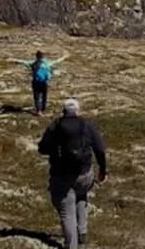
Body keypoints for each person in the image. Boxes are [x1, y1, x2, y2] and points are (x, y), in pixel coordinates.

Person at [38, 99, 107, 249]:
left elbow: (42, 148)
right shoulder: (87, 125)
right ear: (78, 111)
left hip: (61, 176)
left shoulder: (55, 126)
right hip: (85, 175)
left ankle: (72, 246)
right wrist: (102, 170)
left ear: (63, 111)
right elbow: (100, 149)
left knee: (67, 213)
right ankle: (82, 232)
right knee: (81, 195)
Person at [12, 51, 68, 116]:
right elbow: (56, 61)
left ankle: (38, 111)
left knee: (36, 97)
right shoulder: (46, 63)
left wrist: (14, 60)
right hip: (44, 82)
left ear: (36, 56)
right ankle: (43, 109)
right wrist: (63, 57)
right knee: (44, 96)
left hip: (35, 82)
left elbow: (23, 62)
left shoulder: (33, 63)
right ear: (43, 56)